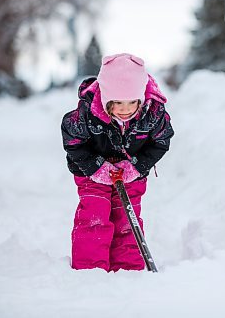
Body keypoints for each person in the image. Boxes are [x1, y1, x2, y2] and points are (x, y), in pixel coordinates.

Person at [61, 53, 174, 271]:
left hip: (130, 171)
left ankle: (128, 270)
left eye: (132, 101)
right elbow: (72, 140)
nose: (125, 108)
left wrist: (136, 167)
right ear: (106, 98)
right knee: (95, 216)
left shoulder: (154, 113)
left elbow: (161, 142)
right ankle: (90, 270)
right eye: (117, 102)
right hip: (92, 172)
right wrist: (96, 167)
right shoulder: (87, 112)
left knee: (126, 219)